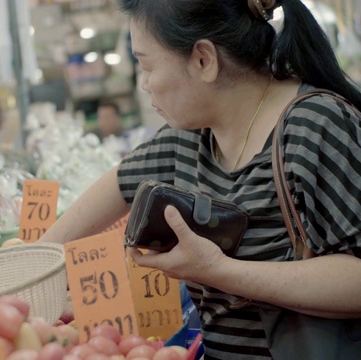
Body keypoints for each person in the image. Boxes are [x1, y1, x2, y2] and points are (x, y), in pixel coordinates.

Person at [38, 0, 361, 358]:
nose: (144, 84)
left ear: (204, 60)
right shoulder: (189, 136)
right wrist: (28, 275)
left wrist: (219, 271)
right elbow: (115, 187)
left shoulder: (315, 125)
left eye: (146, 65)